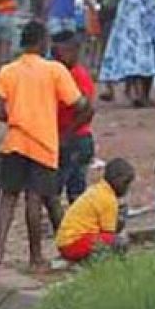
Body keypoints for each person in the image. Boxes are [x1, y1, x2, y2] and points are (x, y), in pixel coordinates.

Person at [0, 21, 91, 272]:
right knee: (34, 199)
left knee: (8, 197)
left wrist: (17, 117)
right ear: (42, 42)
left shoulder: (8, 71)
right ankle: (36, 258)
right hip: (44, 143)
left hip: (15, 141)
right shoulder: (54, 70)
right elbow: (80, 104)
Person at [56, 158, 135, 262]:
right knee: (119, 243)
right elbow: (109, 233)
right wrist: (120, 220)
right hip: (73, 244)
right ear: (116, 179)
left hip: (66, 242)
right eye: (126, 183)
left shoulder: (98, 189)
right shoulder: (108, 199)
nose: (127, 188)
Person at [52, 30, 97, 203]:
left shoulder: (78, 75)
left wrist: (67, 134)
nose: (55, 57)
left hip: (76, 138)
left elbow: (87, 110)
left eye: (59, 53)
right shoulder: (59, 72)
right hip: (67, 137)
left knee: (69, 187)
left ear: (74, 51)